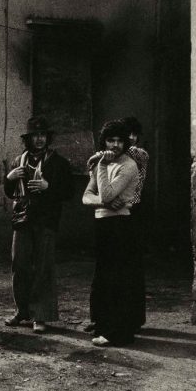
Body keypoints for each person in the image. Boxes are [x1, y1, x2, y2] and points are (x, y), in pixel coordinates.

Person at [3, 117, 75, 333]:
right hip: (22, 220)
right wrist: (9, 177)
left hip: (46, 221)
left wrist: (47, 186)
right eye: (35, 135)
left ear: (48, 138)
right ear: (28, 139)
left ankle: (40, 315)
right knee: (19, 264)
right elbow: (9, 192)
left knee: (43, 267)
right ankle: (22, 311)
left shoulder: (58, 163)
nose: (40, 139)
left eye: (43, 135)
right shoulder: (18, 161)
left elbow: (69, 192)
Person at [82, 119, 145, 346]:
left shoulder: (128, 165)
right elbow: (86, 196)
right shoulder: (103, 161)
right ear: (104, 141)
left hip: (120, 225)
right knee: (104, 279)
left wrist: (100, 167)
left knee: (118, 279)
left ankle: (119, 333)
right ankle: (105, 327)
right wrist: (103, 202)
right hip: (103, 224)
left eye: (120, 141)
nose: (115, 145)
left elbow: (106, 195)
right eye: (111, 140)